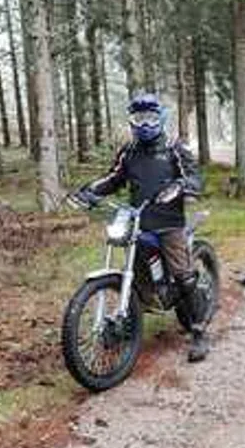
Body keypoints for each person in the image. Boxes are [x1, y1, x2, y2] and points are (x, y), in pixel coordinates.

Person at [77, 92, 209, 363]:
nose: (145, 123)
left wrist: (182, 187)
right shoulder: (129, 151)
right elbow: (114, 178)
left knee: (184, 276)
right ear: (132, 120)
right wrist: (90, 191)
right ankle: (131, 320)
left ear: (160, 118)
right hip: (138, 222)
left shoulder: (175, 147)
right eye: (139, 118)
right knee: (137, 276)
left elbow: (194, 176)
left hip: (169, 222)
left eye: (150, 117)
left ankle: (198, 332)